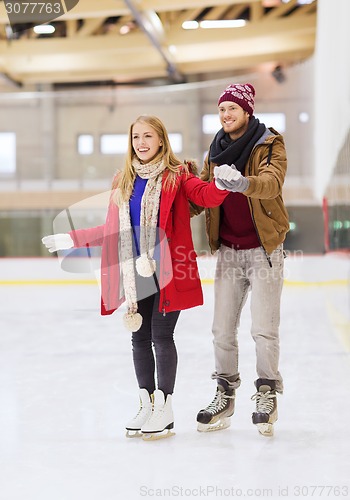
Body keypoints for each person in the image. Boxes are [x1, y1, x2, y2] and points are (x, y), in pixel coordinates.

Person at [42, 115, 231, 441]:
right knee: (139, 338)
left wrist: (222, 184)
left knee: (161, 336)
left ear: (161, 140)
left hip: (170, 270)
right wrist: (74, 238)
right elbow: (112, 229)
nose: (141, 143)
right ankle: (147, 402)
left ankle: (166, 409)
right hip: (134, 271)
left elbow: (204, 196)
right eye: (135, 137)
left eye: (148, 136)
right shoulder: (124, 180)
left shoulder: (177, 176)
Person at [195, 83, 289, 436]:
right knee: (221, 329)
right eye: (222, 110)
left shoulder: (269, 143)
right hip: (230, 252)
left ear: (247, 111)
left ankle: (267, 393)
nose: (226, 115)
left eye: (232, 109)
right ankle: (225, 392)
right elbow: (203, 194)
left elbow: (271, 183)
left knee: (264, 328)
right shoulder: (214, 152)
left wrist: (244, 183)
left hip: (264, 250)